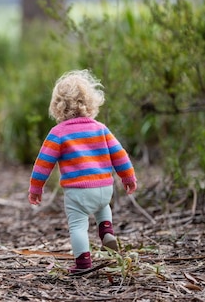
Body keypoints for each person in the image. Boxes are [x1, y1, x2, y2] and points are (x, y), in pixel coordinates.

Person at [28, 70, 137, 273]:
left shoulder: (58, 133)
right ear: (90, 102)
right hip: (104, 187)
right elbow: (119, 154)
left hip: (78, 191)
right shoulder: (101, 128)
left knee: (78, 226)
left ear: (58, 106)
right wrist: (128, 177)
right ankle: (106, 229)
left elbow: (43, 163)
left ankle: (83, 264)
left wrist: (36, 188)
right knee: (102, 205)